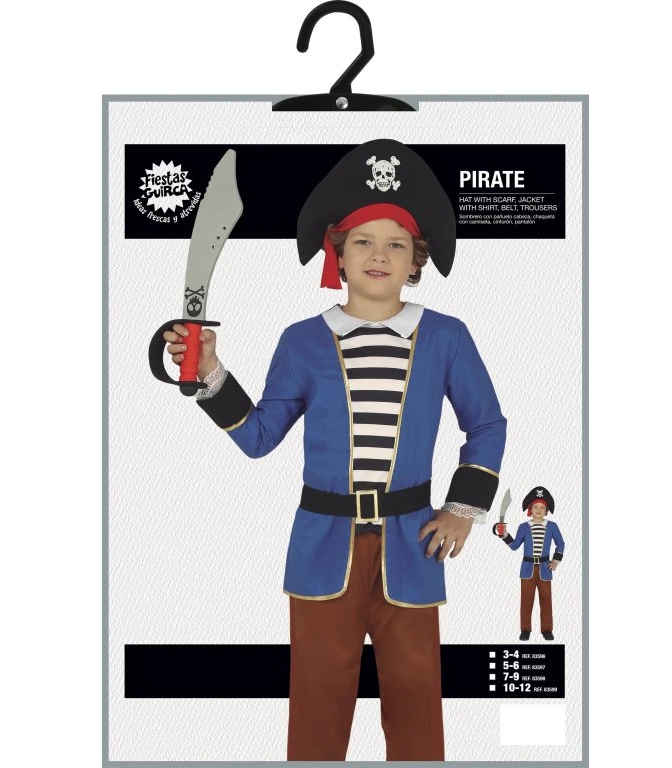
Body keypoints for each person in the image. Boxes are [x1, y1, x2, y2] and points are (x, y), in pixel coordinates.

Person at [163, 139, 506, 761]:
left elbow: (486, 424)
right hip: (322, 545)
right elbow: (259, 437)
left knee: (416, 700)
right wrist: (210, 374)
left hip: (412, 542)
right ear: (337, 254)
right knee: (318, 703)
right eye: (363, 241)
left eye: (396, 244)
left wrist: (462, 510)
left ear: (417, 260)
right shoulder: (301, 341)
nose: (379, 255)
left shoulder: (447, 337)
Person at [493, 486, 565, 641]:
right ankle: (525, 629)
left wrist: (555, 560)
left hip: (545, 568)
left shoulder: (552, 526)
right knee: (526, 601)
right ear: (530, 509)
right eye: (535, 507)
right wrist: (504, 534)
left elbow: (560, 543)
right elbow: (514, 546)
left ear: (546, 510)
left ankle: (547, 629)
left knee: (546, 600)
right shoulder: (523, 527)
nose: (538, 510)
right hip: (527, 569)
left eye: (542, 507)